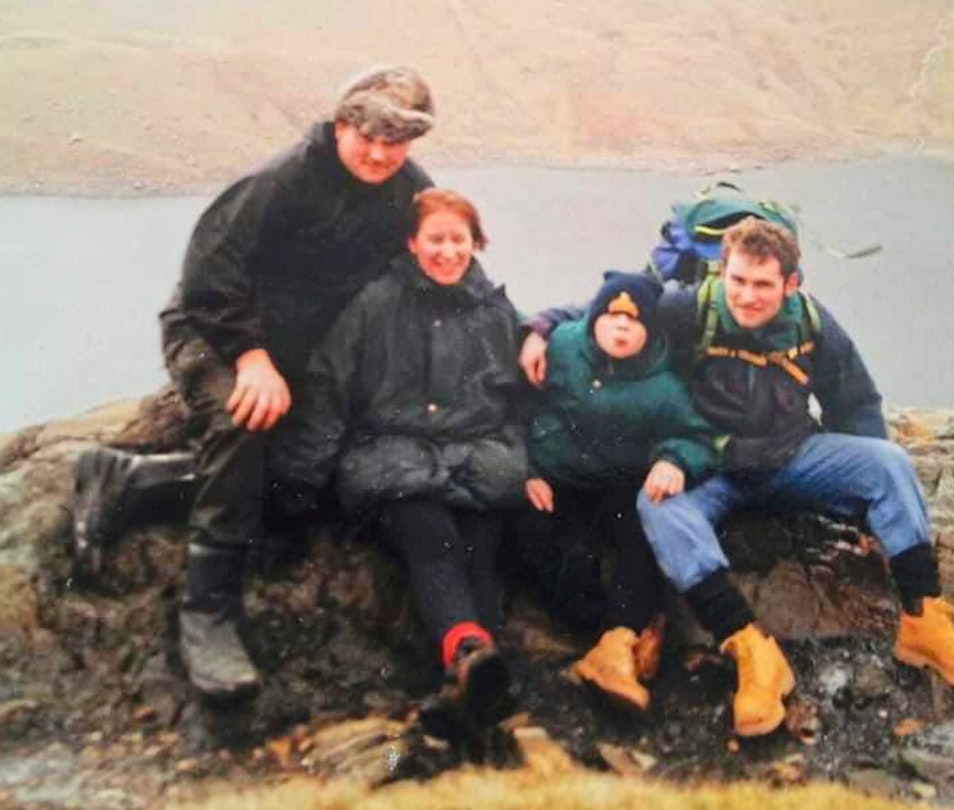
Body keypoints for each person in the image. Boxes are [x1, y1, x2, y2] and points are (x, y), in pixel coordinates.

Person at [520, 216, 954, 738]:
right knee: (657, 506)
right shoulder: (688, 309)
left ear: (792, 284)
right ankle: (753, 651)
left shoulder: (814, 324)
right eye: (737, 282)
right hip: (712, 467)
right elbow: (605, 307)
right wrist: (538, 329)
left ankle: (923, 622)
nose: (747, 297)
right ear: (721, 274)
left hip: (792, 459)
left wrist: (872, 516)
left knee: (887, 462)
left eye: (763, 285)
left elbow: (855, 403)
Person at [70, 65, 436, 698]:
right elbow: (208, 274)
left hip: (304, 355)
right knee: (245, 421)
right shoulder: (285, 180)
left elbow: (444, 263)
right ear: (342, 123)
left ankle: (134, 481)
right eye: (367, 135)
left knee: (316, 472)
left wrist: (532, 333)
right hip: (215, 331)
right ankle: (207, 611)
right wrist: (250, 358)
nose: (379, 153)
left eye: (395, 141)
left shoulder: (410, 191)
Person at [276, 189, 526, 726]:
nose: (447, 251)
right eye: (435, 239)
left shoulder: (495, 310)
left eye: (458, 239)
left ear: (475, 243)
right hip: (396, 459)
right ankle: (471, 658)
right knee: (431, 536)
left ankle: (475, 676)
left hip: (477, 457)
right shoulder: (374, 304)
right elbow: (328, 385)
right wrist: (303, 477)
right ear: (412, 242)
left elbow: (521, 390)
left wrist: (545, 336)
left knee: (482, 548)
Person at [513, 271, 718, 712]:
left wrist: (673, 460)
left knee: (643, 531)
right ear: (592, 320)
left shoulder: (665, 385)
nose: (621, 328)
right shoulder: (562, 348)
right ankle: (601, 628)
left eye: (634, 321)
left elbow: (696, 437)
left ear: (651, 330)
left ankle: (620, 639)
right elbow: (517, 407)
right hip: (555, 478)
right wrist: (526, 470)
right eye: (611, 317)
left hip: (620, 483)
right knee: (532, 530)